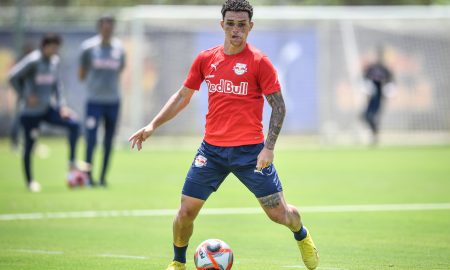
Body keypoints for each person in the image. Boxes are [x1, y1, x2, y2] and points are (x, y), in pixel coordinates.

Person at [128, 1, 319, 269]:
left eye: (242, 25)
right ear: (222, 25)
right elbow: (183, 96)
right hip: (212, 152)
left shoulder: (259, 63)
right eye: (230, 24)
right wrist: (152, 125)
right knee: (185, 212)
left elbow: (279, 106)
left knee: (280, 214)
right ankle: (178, 262)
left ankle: (302, 235)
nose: (235, 30)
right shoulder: (206, 59)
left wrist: (269, 147)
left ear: (250, 27)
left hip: (251, 153)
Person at [8, 33, 80, 192]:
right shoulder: (33, 60)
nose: (55, 50)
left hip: (48, 109)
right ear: (45, 46)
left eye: (57, 48)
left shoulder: (54, 61)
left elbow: (57, 85)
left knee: (74, 124)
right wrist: (26, 96)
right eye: (53, 47)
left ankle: (72, 162)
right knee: (29, 145)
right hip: (30, 113)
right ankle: (30, 181)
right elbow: (12, 77)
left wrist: (62, 106)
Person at [78, 14, 126, 187]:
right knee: (91, 140)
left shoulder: (119, 48)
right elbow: (81, 73)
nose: (108, 29)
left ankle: (103, 177)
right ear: (100, 27)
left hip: (113, 101)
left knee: (108, 141)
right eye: (105, 26)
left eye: (111, 26)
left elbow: (120, 68)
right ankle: (88, 177)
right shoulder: (88, 48)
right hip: (94, 101)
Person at [362, 46, 395, 145]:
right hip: (371, 97)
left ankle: (374, 134)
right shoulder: (371, 67)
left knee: (373, 116)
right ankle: (374, 132)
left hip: (379, 98)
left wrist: (389, 89)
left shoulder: (385, 69)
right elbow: (365, 78)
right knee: (366, 116)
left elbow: (390, 81)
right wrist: (367, 87)